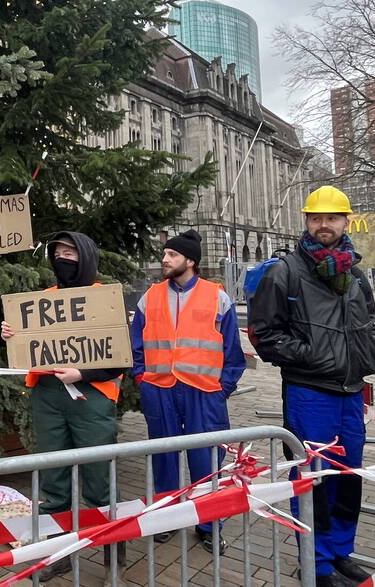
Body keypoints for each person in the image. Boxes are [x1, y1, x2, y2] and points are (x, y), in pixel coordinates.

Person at [248, 185, 375, 587]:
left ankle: (342, 551)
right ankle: (317, 562)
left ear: (345, 221)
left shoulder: (355, 275)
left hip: (350, 392)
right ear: (306, 221)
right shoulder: (285, 271)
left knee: (348, 475)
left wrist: (367, 357)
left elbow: (368, 324)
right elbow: (264, 334)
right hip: (310, 393)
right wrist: (314, 356)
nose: (323, 225)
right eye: (315, 218)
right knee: (312, 478)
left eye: (331, 218)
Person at [0, 232, 125, 580]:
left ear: (85, 255)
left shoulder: (105, 300)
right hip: (48, 397)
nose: (63, 258)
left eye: (70, 252)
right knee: (53, 480)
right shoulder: (44, 301)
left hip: (93, 399)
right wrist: (13, 334)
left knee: (99, 479)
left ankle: (113, 548)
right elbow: (27, 348)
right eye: (58, 252)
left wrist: (81, 373)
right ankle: (57, 553)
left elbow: (119, 360)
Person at [129, 229, 245, 553]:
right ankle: (165, 519)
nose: (164, 259)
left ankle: (209, 523)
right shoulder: (149, 297)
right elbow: (135, 344)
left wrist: (223, 389)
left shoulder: (217, 297)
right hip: (160, 389)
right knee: (164, 459)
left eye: (172, 255)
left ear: (190, 261)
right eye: (164, 254)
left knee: (206, 460)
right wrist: (141, 378)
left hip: (204, 392)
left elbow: (233, 351)